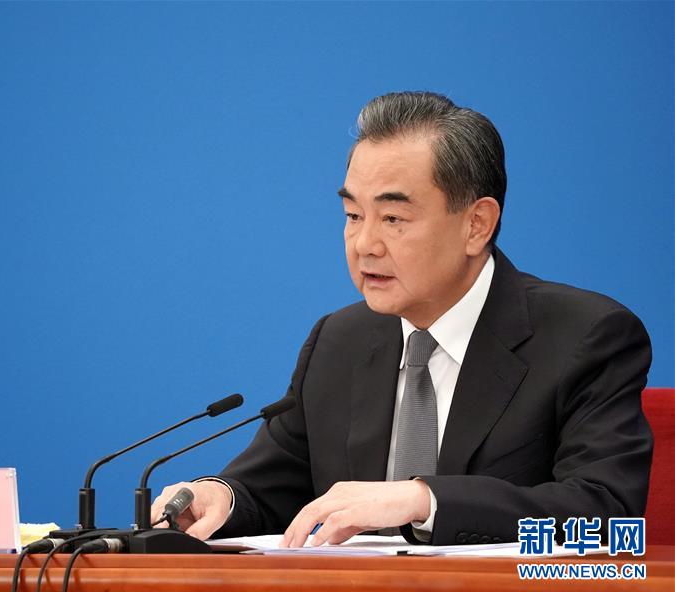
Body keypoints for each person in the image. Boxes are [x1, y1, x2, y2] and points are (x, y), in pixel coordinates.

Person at [150, 91, 653, 546]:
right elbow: (272, 490)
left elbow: (605, 511)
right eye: (353, 216)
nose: (364, 244)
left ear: (477, 225)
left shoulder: (585, 336)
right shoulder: (339, 341)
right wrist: (219, 496)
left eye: (393, 218)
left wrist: (422, 499)